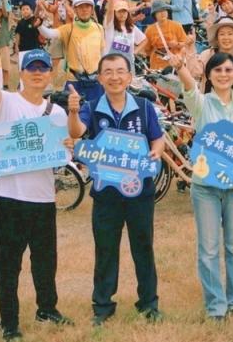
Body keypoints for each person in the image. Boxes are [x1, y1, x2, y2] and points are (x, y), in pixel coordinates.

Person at [67, 52, 167, 326]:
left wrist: (156, 153)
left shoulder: (144, 107)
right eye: (108, 72)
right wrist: (74, 111)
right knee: (106, 248)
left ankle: (148, 303)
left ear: (129, 76)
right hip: (106, 194)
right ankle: (102, 305)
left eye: (120, 71)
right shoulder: (91, 106)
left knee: (143, 247)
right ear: (100, 78)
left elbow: (157, 140)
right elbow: (76, 132)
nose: (114, 77)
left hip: (140, 193)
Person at [0, 47, 74, 340]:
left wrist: (68, 145)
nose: (37, 73)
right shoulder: (7, 102)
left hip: (43, 198)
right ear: (21, 73)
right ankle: (10, 322)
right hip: (10, 198)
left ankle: (47, 308)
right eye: (31, 68)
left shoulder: (56, 112)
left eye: (43, 68)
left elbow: (62, 149)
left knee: (46, 260)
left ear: (50, 73)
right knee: (8, 265)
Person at [168, 50, 233, 321]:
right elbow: (189, 87)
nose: (223, 74)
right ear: (209, 75)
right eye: (218, 70)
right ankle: (216, 306)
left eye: (228, 70)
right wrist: (180, 68)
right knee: (209, 248)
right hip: (206, 188)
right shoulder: (202, 104)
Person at [189, 18, 233, 98]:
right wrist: (190, 48)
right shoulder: (207, 55)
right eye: (222, 34)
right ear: (217, 39)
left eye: (230, 34)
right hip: (208, 106)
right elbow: (194, 73)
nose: (226, 38)